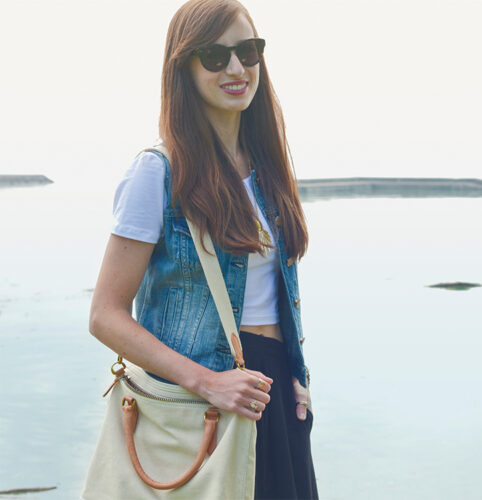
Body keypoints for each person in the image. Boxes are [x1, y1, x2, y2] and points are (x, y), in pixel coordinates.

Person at [88, 0, 318, 497]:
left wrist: (296, 374)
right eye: (215, 56)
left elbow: (273, 296)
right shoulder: (158, 172)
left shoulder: (267, 168)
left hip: (271, 393)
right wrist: (207, 382)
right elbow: (105, 314)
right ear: (184, 67)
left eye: (248, 51)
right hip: (205, 403)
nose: (236, 68)